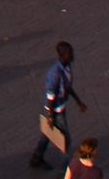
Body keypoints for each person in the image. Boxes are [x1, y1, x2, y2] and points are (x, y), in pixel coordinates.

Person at [27, 41, 86, 170]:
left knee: (47, 133)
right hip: (55, 111)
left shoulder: (67, 67)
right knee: (65, 140)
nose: (72, 56)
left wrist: (78, 101)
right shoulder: (55, 74)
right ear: (62, 55)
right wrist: (51, 116)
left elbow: (68, 87)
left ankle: (36, 157)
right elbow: (51, 97)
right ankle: (67, 168)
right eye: (69, 54)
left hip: (59, 109)